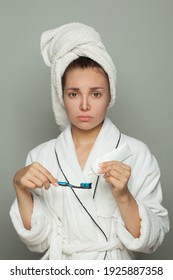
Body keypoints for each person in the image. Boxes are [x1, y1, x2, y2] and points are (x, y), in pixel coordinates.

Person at [10, 22, 169, 260]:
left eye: (96, 93)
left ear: (110, 95)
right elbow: (38, 240)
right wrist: (20, 188)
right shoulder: (40, 156)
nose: (84, 105)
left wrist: (123, 195)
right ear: (61, 97)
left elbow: (150, 242)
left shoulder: (137, 153)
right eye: (73, 93)